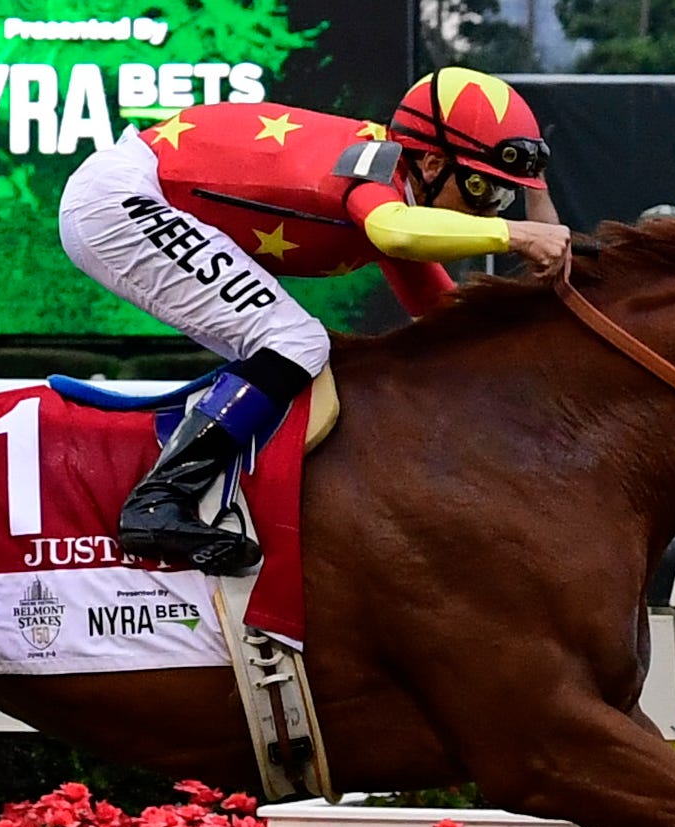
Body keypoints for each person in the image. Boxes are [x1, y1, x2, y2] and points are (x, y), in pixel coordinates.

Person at [58, 67, 572, 574]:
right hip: (120, 198)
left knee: (291, 353)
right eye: (484, 189)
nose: (491, 211)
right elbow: (398, 232)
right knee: (296, 341)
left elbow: (448, 324)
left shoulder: (403, 191)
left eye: (505, 196)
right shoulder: (376, 176)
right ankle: (157, 502)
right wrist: (518, 235)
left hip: (129, 195)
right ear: (433, 163)